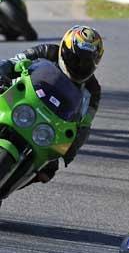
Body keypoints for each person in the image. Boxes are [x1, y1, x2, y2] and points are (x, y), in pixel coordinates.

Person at [0, 25, 104, 183]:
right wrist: (4, 72)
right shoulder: (46, 51)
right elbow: (13, 62)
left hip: (49, 124)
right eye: (75, 59)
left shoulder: (93, 90)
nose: (79, 66)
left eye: (85, 63)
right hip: (19, 100)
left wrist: (73, 147)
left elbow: (86, 122)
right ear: (64, 50)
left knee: (48, 169)